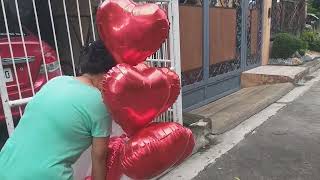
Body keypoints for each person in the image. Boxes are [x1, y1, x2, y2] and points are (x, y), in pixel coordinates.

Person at [0, 40, 116, 180]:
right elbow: (99, 157)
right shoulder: (100, 103)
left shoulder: (56, 81)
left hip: (5, 166)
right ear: (109, 73)